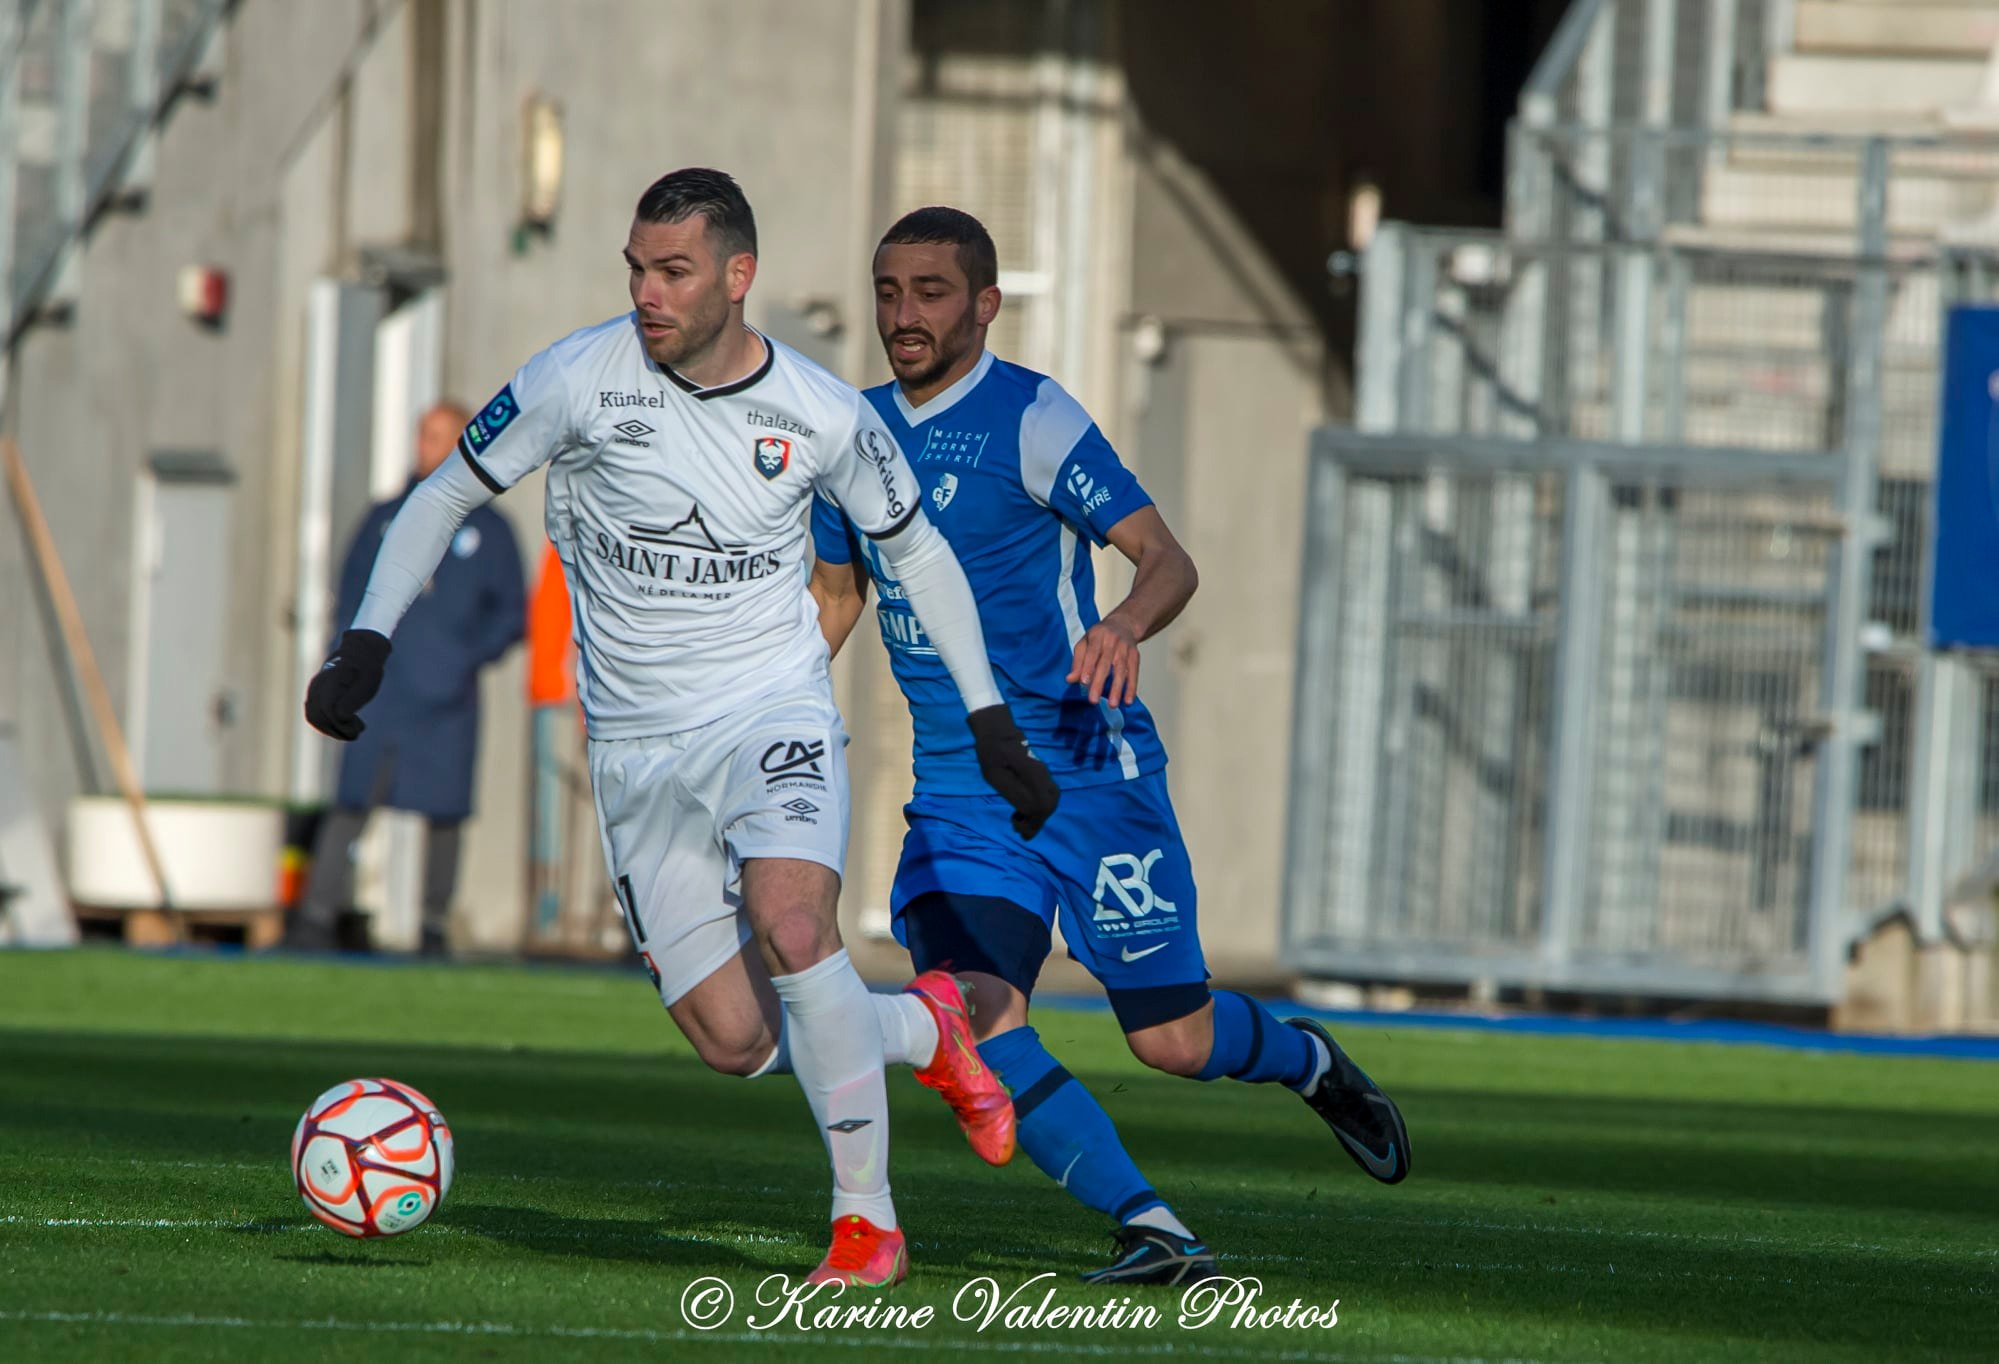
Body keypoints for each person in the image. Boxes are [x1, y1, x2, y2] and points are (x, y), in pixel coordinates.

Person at [303, 169, 1058, 1290]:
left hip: (771, 711)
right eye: (636, 270)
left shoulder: (818, 411)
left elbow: (918, 556)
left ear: (736, 277)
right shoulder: (575, 377)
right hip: (634, 748)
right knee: (734, 1040)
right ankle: (925, 1032)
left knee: (796, 926)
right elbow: (446, 495)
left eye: (674, 271)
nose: (648, 293)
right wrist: (366, 637)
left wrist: (991, 716)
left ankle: (867, 1223)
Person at [807, 206, 1413, 1285]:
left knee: (1170, 1041)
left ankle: (1308, 1059)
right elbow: (837, 593)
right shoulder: (845, 431)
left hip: (1085, 770)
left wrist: (1122, 623)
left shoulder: (1032, 416)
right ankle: (1151, 1222)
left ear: (986, 304)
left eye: (931, 291)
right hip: (958, 791)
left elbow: (1165, 557)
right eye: (889, 290)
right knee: (976, 1020)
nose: (904, 313)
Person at [287, 401, 524, 956]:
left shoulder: (489, 530)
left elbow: (512, 613)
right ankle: (317, 919)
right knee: (351, 802)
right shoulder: (386, 516)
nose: (424, 446)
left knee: (444, 813)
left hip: (446, 699)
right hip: (383, 693)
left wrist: (463, 657)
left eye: (438, 436)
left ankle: (434, 926)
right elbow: (351, 592)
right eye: (421, 435)